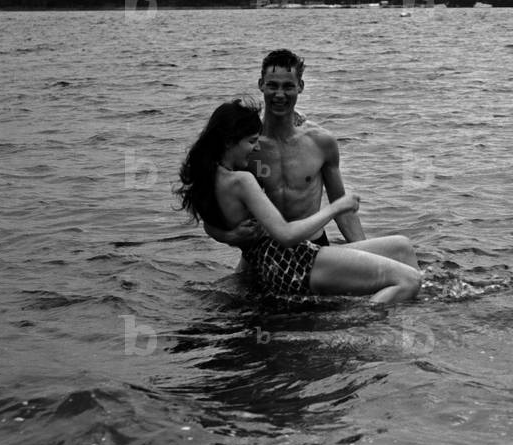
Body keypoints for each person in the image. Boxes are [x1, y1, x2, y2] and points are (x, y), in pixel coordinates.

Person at [178, 100, 421, 304]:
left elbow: (210, 225)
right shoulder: (240, 181)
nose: (255, 149)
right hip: (291, 263)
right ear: (230, 141)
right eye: (251, 141)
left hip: (282, 262)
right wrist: (338, 206)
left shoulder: (207, 179)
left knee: (402, 246)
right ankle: (358, 324)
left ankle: (409, 313)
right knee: (409, 280)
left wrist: (230, 237)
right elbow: (286, 234)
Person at [204, 48, 417, 270]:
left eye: (288, 86)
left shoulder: (320, 142)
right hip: (263, 254)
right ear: (261, 85)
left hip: (313, 248)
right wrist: (229, 236)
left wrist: (367, 257)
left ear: (301, 87)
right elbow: (208, 211)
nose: (279, 94)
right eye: (272, 85)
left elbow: (341, 207)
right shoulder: (245, 148)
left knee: (395, 264)